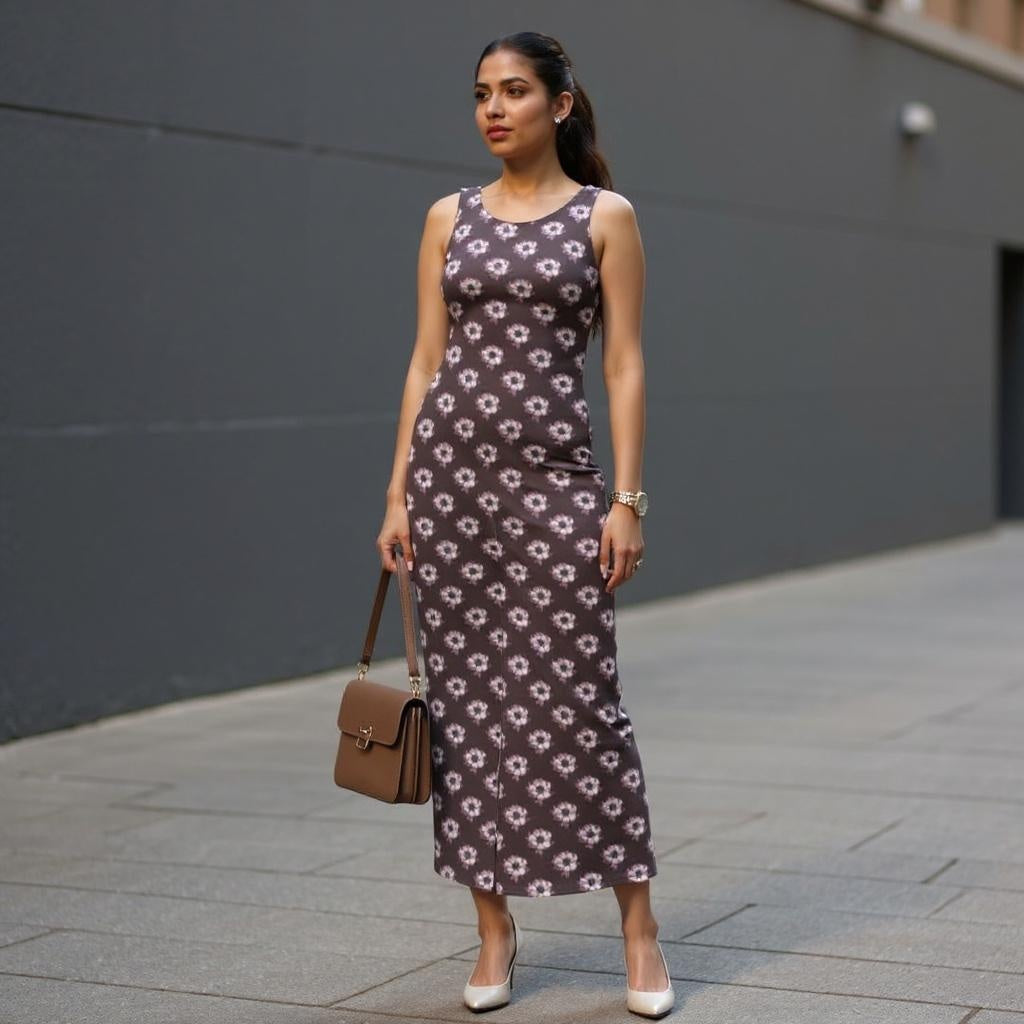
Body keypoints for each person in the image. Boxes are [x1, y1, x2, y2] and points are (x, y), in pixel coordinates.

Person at [376, 31, 673, 1019]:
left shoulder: (605, 216)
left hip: (555, 491)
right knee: (465, 712)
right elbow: (425, 361)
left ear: (561, 102)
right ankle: (493, 930)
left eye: (513, 91)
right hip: (450, 494)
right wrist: (396, 495)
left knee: (582, 701)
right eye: (479, 94)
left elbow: (623, 364)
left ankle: (637, 925)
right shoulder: (445, 217)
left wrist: (625, 500)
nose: (493, 109)